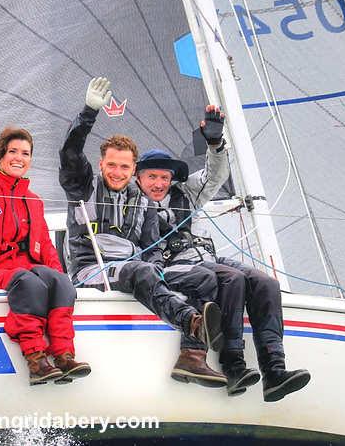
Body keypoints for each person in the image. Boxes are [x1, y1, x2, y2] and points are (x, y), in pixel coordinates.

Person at [136, 109, 311, 402]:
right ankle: (233, 366)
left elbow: (214, 176)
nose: (158, 183)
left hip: (206, 258)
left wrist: (215, 144)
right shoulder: (133, 200)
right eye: (151, 176)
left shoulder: (185, 193)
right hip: (173, 265)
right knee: (232, 279)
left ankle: (274, 371)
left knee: (265, 283)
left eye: (164, 177)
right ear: (139, 178)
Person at [59, 76, 224, 385]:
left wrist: (162, 271)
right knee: (141, 270)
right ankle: (190, 320)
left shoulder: (144, 202)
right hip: (91, 271)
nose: (117, 172)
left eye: (124, 167)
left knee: (202, 277)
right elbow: (69, 154)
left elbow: (153, 250)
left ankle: (191, 358)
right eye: (112, 165)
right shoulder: (82, 186)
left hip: (136, 270)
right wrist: (88, 113)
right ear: (101, 163)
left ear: (133, 169)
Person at [0, 89, 90, 386]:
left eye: (25, 154)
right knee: (27, 281)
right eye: (13, 151)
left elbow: (48, 249)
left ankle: (63, 355)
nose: (19, 158)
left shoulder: (34, 201)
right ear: (0, 157)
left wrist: (62, 279)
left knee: (60, 281)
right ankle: (36, 359)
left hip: (21, 272)